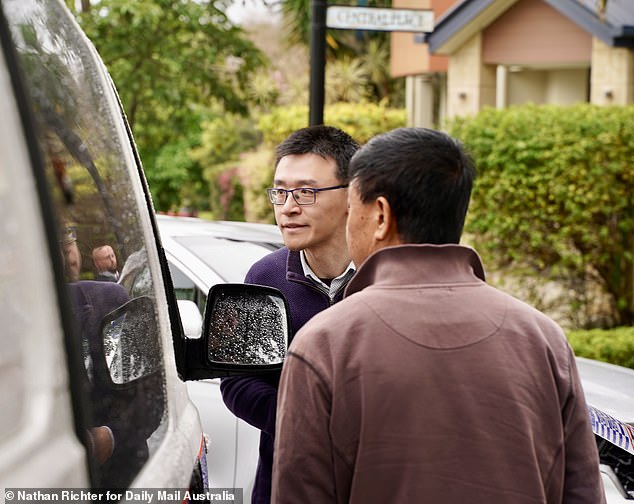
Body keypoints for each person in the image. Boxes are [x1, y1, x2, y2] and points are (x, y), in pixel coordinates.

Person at [272, 128, 605, 503]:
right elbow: (582, 492)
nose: (350, 225)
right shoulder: (542, 338)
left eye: (353, 208)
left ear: (380, 215)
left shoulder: (325, 342)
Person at [220, 125, 360, 504]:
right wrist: (312, 425)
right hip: (286, 487)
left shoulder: (385, 279)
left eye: (306, 192)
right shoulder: (263, 277)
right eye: (280, 192)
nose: (288, 207)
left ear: (352, 195)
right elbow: (237, 383)